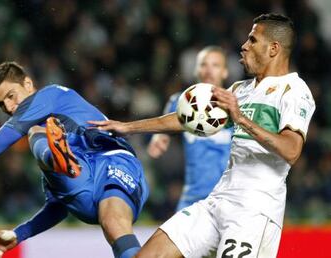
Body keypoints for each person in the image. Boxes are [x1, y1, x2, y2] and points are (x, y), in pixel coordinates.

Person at [90, 13, 315, 257]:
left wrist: (240, 119)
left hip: (254, 213)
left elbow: (291, 150)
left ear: (273, 48)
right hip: (216, 201)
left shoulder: (294, 90)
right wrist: (127, 127)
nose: (244, 45)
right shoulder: (240, 90)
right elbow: (185, 118)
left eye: (252, 39)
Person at [0, 61, 149, 258]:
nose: (10, 108)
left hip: (109, 159)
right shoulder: (46, 134)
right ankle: (60, 162)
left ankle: (59, 161)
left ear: (28, 84)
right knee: (110, 225)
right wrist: (19, 234)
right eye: (2, 104)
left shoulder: (50, 95)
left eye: (11, 96)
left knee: (113, 220)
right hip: (79, 182)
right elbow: (58, 208)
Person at [147, 46, 232, 211]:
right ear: (196, 70)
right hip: (192, 200)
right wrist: (160, 137)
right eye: (203, 65)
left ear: (225, 72)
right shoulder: (180, 103)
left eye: (215, 65)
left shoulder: (235, 105)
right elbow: (163, 129)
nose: (208, 70)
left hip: (228, 201)